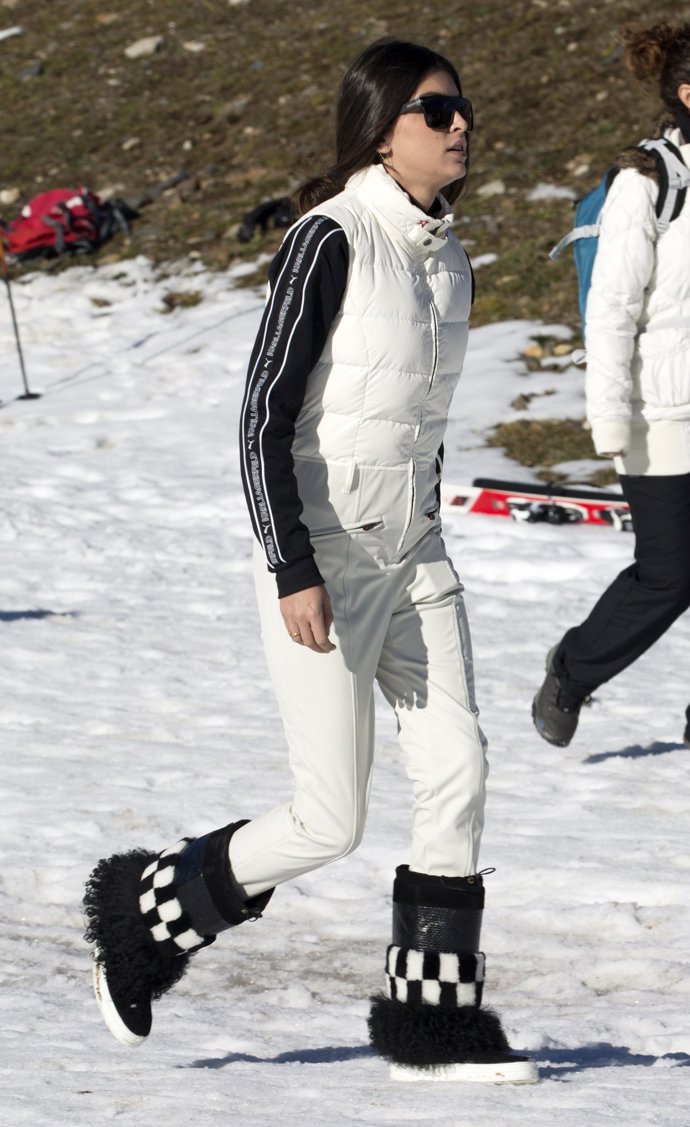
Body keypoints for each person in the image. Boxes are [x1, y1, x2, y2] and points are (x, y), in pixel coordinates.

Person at [84, 38, 536, 1084]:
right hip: (320, 562)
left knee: (458, 770)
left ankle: (432, 1021)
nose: (460, 124)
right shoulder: (330, 240)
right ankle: (149, 904)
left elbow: (413, 424)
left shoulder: (449, 255)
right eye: (437, 110)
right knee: (329, 817)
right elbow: (260, 420)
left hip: (415, 558)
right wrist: (294, 563)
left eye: (464, 107)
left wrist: (421, 533)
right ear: (383, 129)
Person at [533, 21, 690, 748]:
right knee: (669, 572)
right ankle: (574, 667)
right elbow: (613, 313)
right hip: (661, 413)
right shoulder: (647, 183)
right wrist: (610, 424)